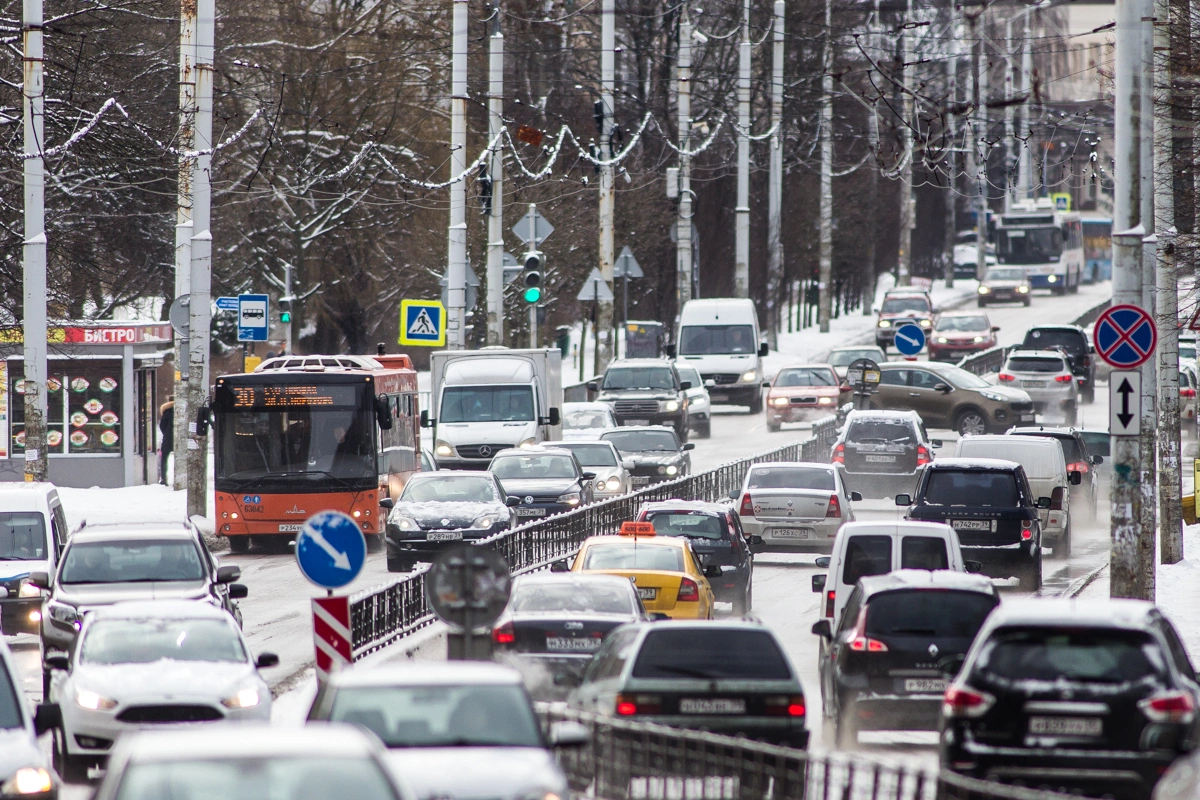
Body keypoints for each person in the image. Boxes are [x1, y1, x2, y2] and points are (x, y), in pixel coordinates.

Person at [158, 396, 174, 485]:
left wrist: (167, 433)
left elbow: (162, 425)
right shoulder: (182, 411)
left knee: (164, 458)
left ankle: (164, 479)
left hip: (168, 438)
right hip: (179, 438)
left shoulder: (167, 412)